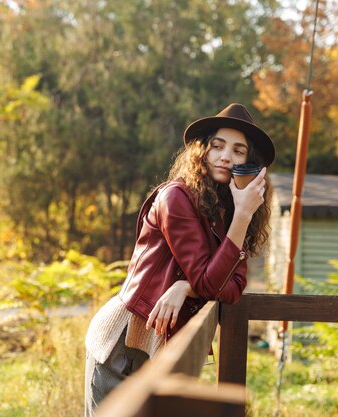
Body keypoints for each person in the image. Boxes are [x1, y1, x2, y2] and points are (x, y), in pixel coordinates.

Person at [84, 103, 275, 416]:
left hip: (163, 345)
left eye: (238, 151)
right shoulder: (177, 197)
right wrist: (242, 215)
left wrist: (186, 287)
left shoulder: (225, 212)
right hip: (125, 341)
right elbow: (210, 282)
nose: (226, 156)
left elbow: (233, 287)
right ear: (202, 150)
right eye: (217, 146)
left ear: (249, 163)